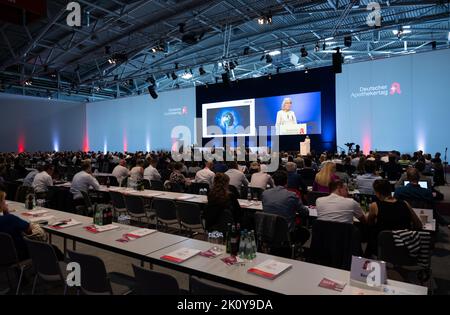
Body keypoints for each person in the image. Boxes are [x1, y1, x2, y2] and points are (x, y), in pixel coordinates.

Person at [366, 179, 423, 256]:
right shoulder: (405, 204)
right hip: (404, 247)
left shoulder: (375, 206)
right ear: (390, 190)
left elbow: (369, 223)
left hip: (383, 247)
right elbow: (419, 225)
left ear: (377, 193)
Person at [262, 171, 310, 245]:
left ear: (273, 181)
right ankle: (294, 250)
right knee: (305, 232)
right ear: (286, 181)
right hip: (286, 232)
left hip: (268, 230)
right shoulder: (292, 195)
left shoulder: (265, 193)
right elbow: (304, 212)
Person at [0, 191, 32, 260]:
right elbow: (29, 230)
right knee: (53, 249)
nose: (6, 203)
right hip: (18, 254)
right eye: (4, 200)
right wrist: (7, 213)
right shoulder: (10, 219)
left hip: (3, 255)